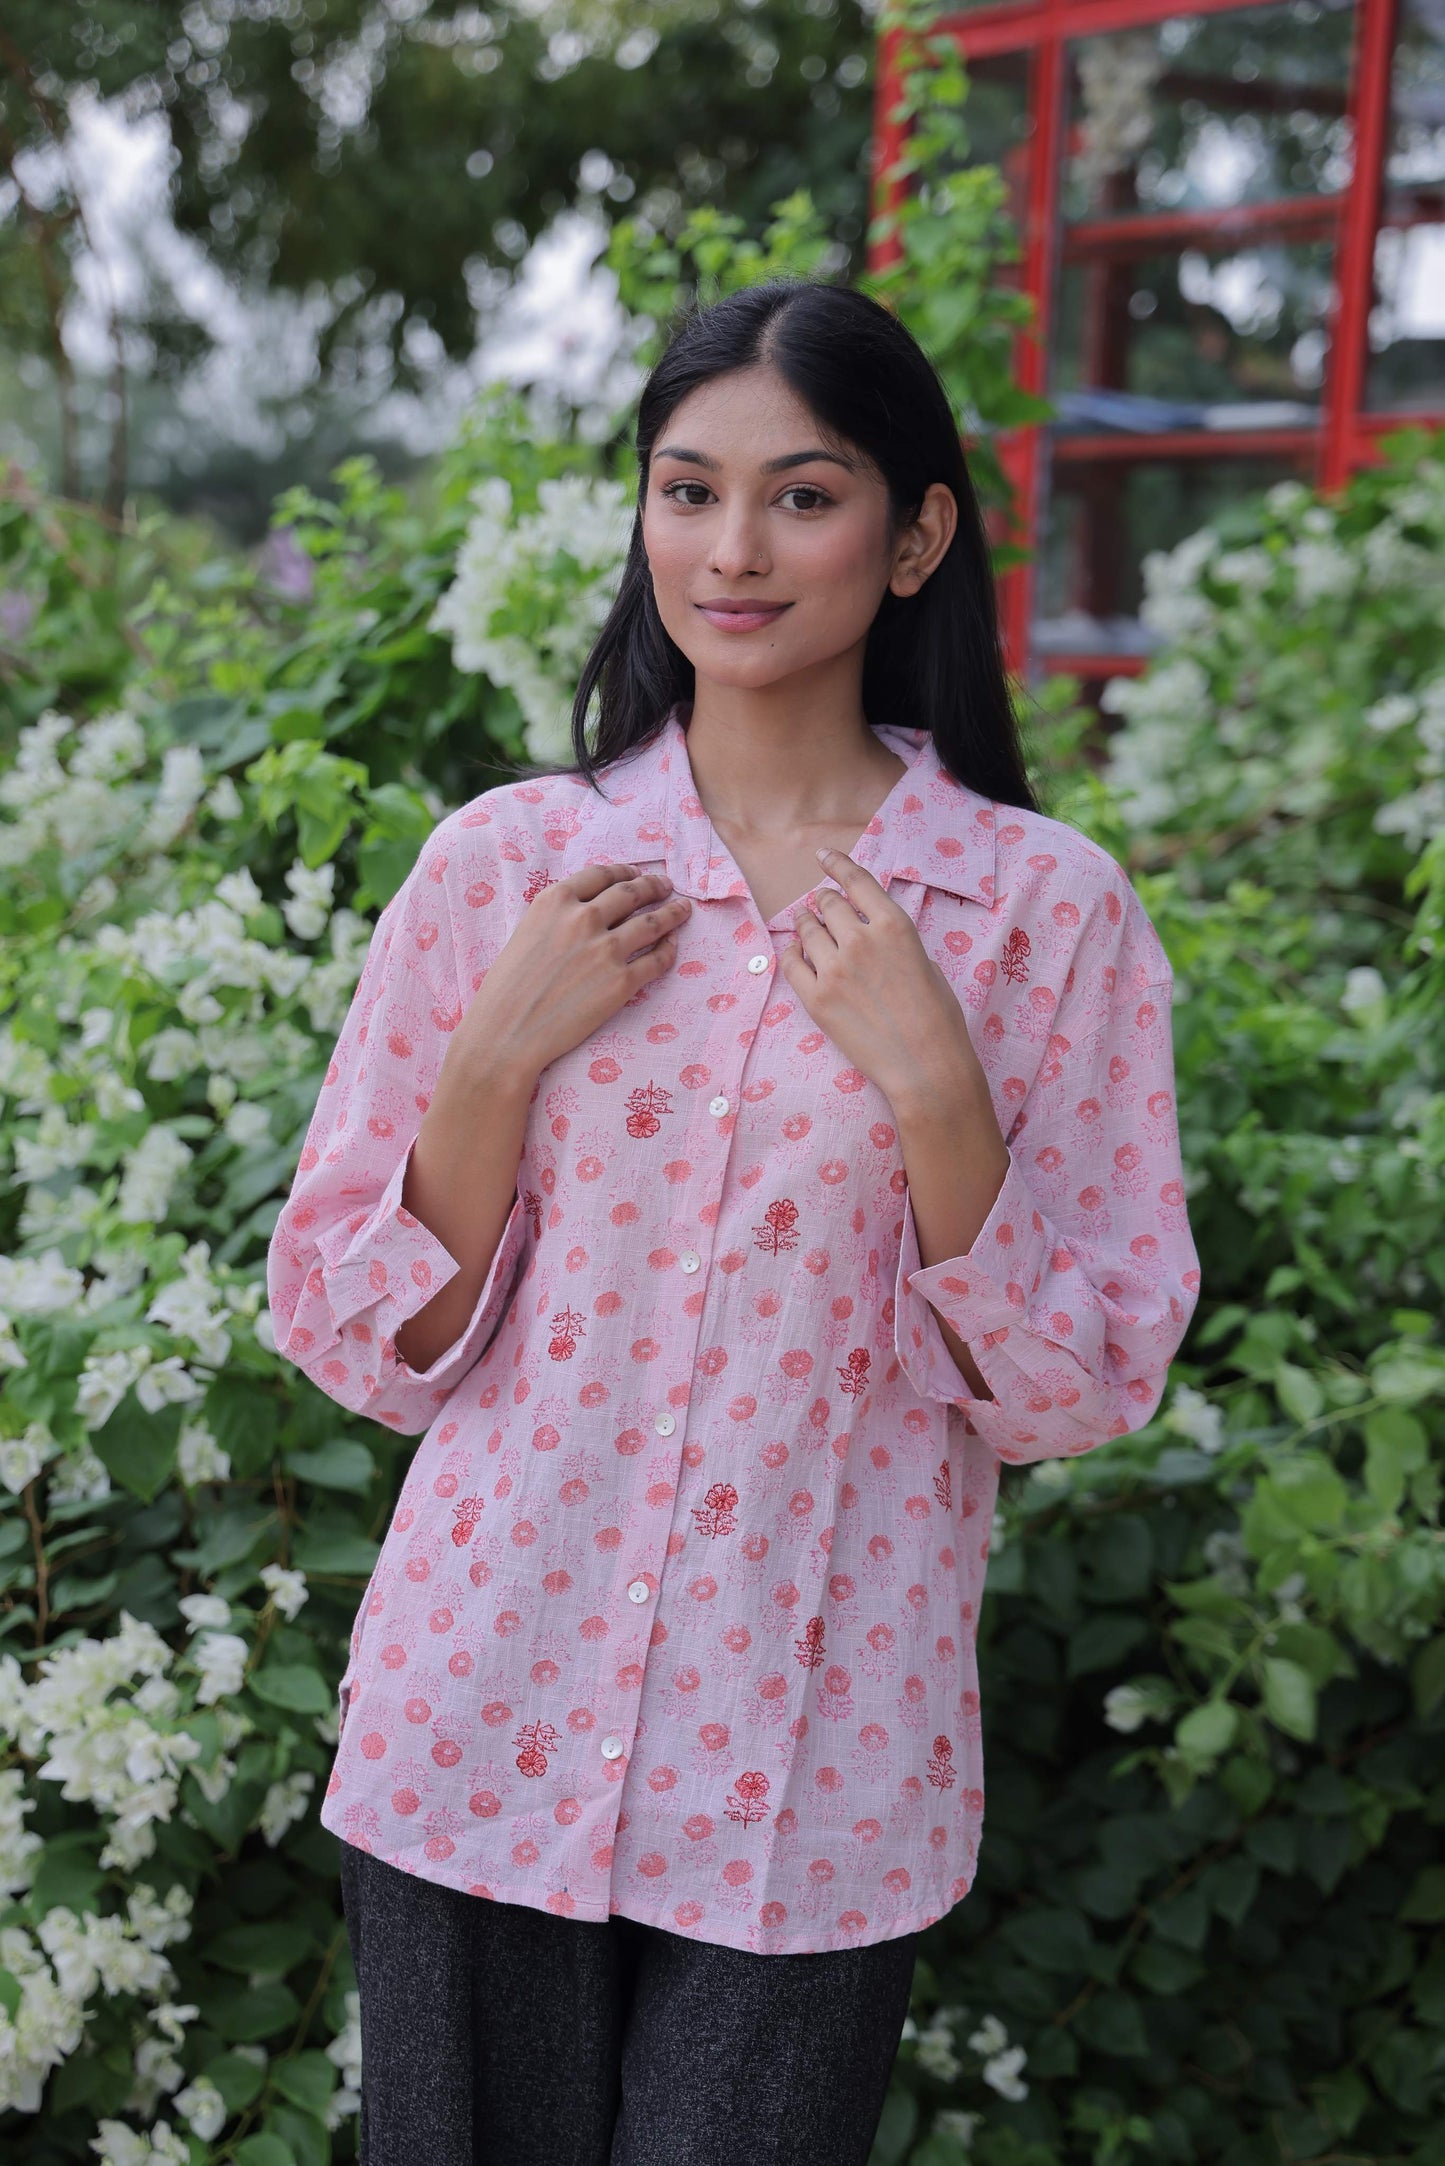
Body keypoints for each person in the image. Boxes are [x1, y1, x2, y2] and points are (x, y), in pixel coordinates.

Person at [266, 278, 1201, 2166]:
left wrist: (939, 1094)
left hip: (819, 1763)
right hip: (478, 1714)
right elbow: (360, 1332)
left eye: (802, 493)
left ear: (917, 529)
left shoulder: (1040, 917)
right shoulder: (508, 869)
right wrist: (487, 1074)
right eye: (686, 490)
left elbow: (1080, 1381)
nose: (732, 548)